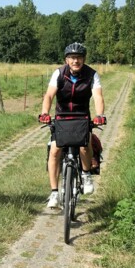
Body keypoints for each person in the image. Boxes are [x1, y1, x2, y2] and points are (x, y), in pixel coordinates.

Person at [38, 42, 105, 209]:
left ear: (84, 59)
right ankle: (54, 193)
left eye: (79, 58)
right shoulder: (59, 73)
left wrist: (99, 116)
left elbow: (98, 96)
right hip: (62, 118)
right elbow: (49, 95)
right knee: (54, 151)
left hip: (82, 117)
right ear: (67, 60)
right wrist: (45, 112)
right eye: (72, 58)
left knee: (85, 145)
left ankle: (86, 174)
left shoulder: (92, 75)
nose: (76, 61)